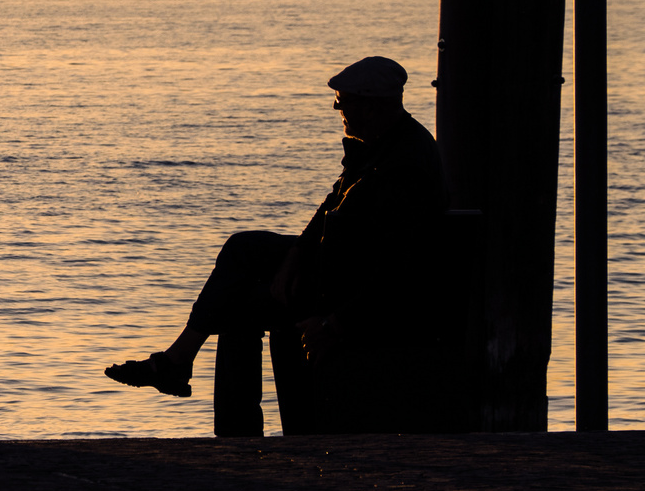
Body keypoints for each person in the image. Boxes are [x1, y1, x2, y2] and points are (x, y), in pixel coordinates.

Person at [103, 56, 448, 435]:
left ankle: (214, 407)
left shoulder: (405, 167)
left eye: (342, 101)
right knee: (243, 248)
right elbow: (330, 205)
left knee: (235, 306)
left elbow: (398, 266)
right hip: (327, 267)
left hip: (344, 290)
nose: (337, 109)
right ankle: (182, 365)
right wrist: (296, 254)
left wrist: (335, 323)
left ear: (369, 104)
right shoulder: (378, 145)